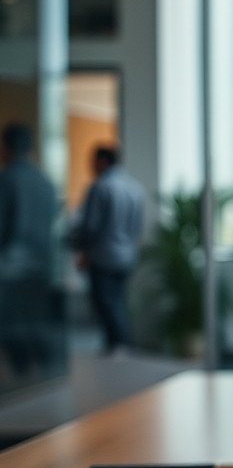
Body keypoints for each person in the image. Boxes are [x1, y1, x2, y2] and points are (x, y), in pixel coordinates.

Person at [70, 144, 145, 355]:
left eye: (93, 161)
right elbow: (137, 226)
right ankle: (121, 347)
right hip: (126, 255)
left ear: (102, 161)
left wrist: (81, 248)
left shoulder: (101, 187)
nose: (91, 166)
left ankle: (118, 347)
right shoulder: (134, 188)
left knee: (106, 305)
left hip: (103, 256)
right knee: (118, 302)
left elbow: (90, 226)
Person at [0, 123, 59, 376]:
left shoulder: (6, 179)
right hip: (42, 266)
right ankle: (41, 372)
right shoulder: (46, 183)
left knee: (12, 328)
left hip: (11, 268)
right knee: (36, 324)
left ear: (6, 148)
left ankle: (23, 373)